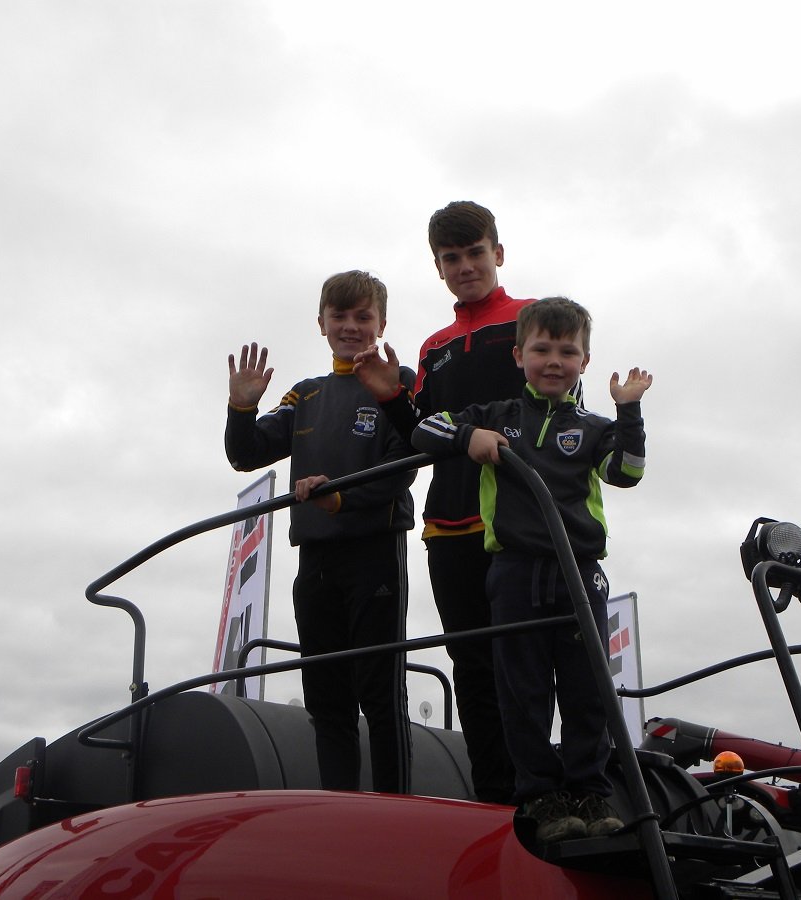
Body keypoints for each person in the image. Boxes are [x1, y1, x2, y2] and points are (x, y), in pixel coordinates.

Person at [410, 297, 652, 844]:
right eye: (541, 349)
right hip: (515, 572)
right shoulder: (496, 416)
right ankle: (541, 797)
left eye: (567, 352)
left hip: (579, 574)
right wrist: (467, 439)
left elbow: (627, 472)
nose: (553, 361)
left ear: (584, 363)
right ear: (519, 355)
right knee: (522, 692)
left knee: (588, 688)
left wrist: (629, 411)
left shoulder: (592, 427)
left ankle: (591, 793)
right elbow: (424, 430)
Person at [354, 201, 545, 804]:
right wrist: (390, 399)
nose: (465, 266)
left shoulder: (533, 320)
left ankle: (539, 801)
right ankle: (493, 803)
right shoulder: (433, 347)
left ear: (499, 254)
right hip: (448, 528)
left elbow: (558, 409)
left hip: (519, 527)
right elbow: (418, 433)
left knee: (526, 669)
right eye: (451, 258)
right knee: (472, 671)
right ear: (438, 268)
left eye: (475, 253)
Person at [225, 269, 415, 794]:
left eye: (363, 317)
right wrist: (242, 407)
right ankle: (340, 809)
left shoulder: (400, 383)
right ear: (321, 324)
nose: (351, 326)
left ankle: (396, 808)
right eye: (340, 316)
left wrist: (341, 497)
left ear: (381, 324)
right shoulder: (304, 394)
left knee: (381, 694)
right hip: (315, 559)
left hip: (376, 551)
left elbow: (405, 467)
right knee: (326, 696)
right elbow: (247, 453)